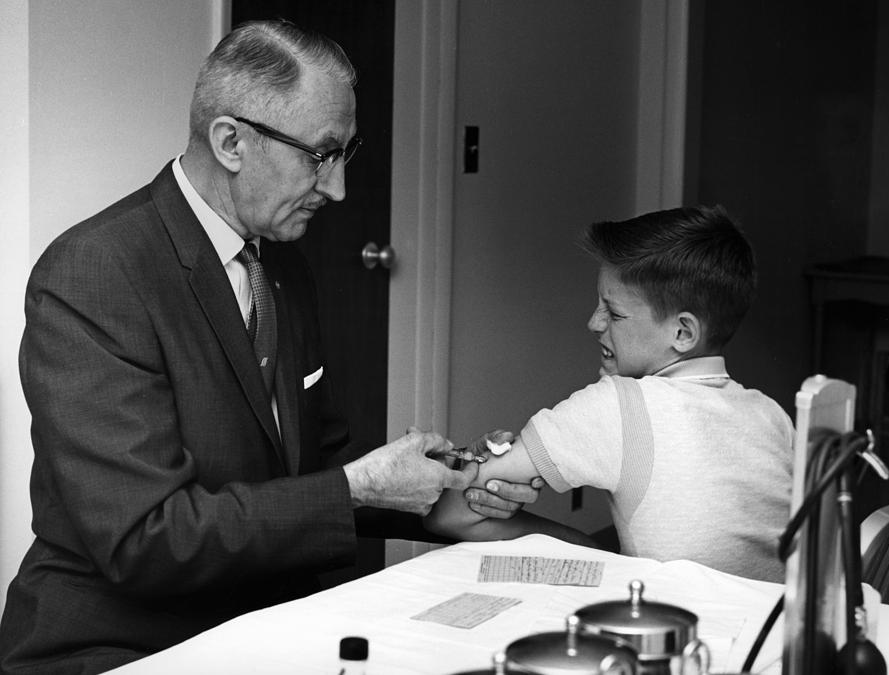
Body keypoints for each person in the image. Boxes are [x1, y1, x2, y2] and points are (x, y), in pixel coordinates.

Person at [0, 20, 539, 674]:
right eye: (321, 154)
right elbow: (145, 539)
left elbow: (317, 467)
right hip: (119, 642)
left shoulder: (281, 269)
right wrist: (357, 487)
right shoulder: (93, 275)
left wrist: (445, 492)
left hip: (266, 623)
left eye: (346, 153)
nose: (337, 187)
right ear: (231, 141)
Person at [426, 205, 795, 583]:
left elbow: (450, 515)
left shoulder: (619, 402)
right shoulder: (773, 416)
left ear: (683, 333)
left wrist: (590, 550)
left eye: (614, 314)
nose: (593, 322)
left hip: (672, 626)